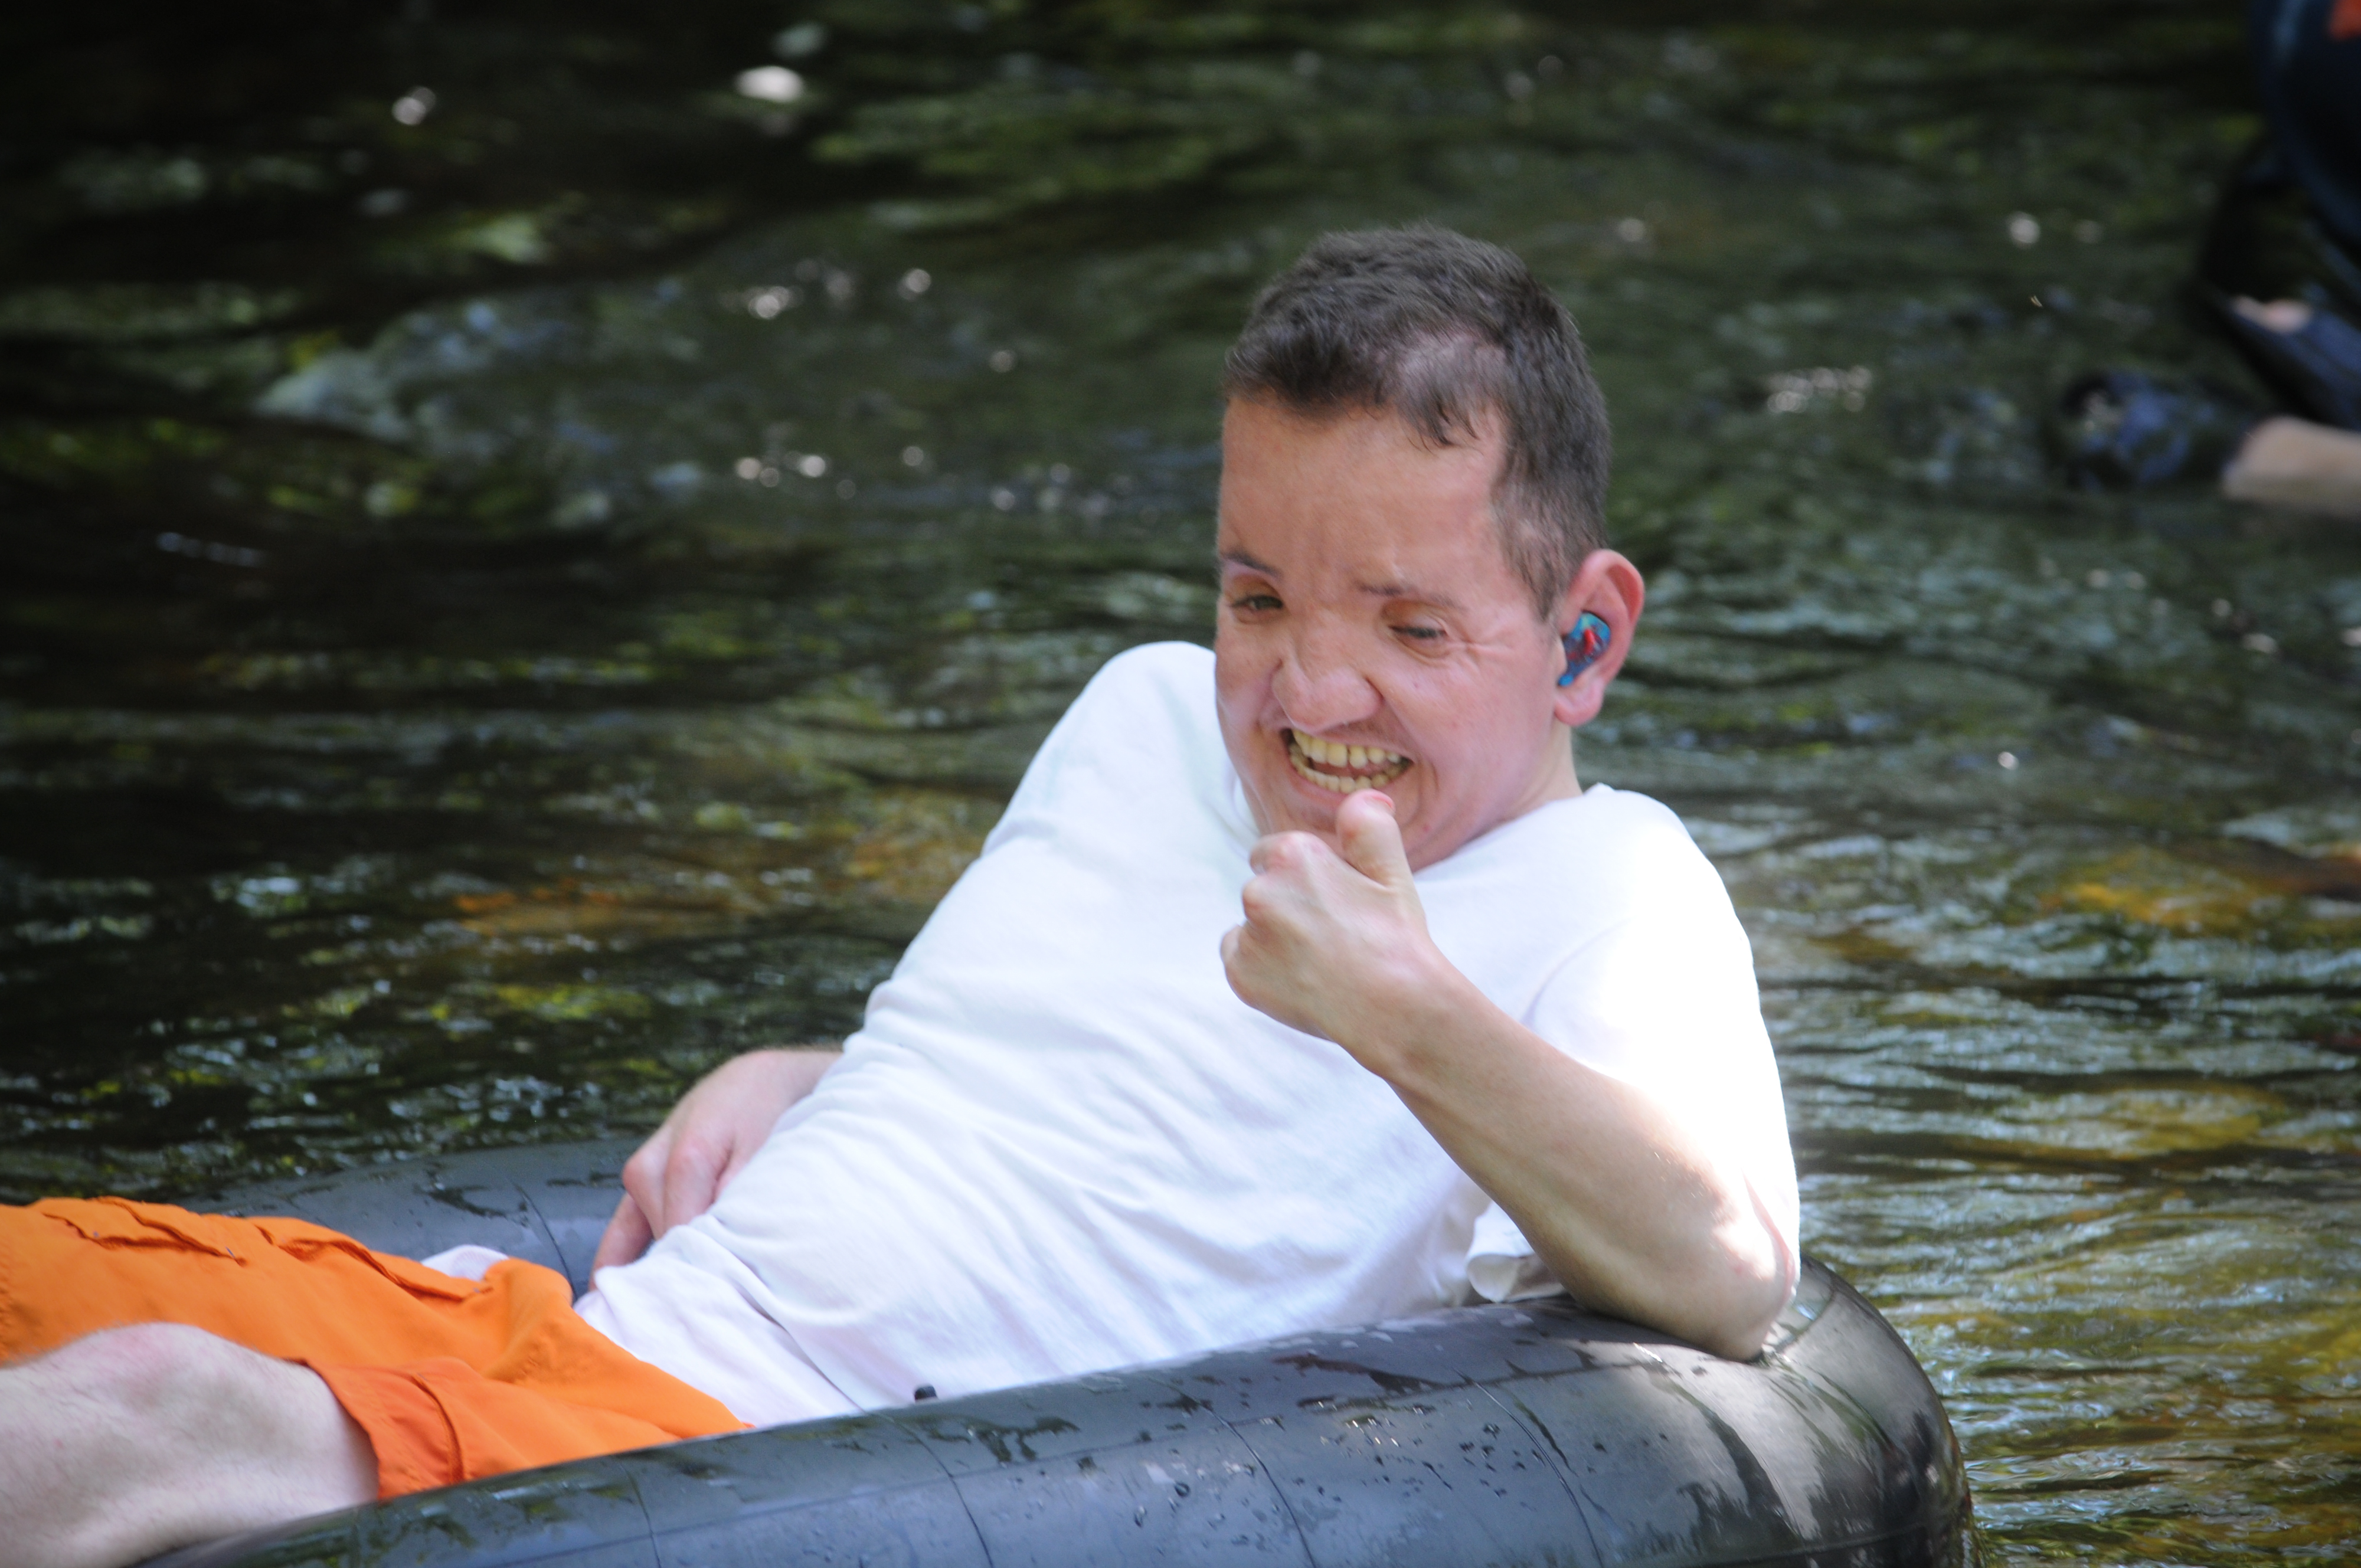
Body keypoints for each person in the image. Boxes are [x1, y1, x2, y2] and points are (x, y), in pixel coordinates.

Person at [0, 227, 1798, 1568]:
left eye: (1407, 627)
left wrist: (1407, 1010)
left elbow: (1727, 1272)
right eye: (1259, 596)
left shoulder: (1613, 895)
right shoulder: (1137, 715)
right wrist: (809, 1069)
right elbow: (1033, 1083)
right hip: (576, 1334)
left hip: (755, 1471)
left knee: (158, 1415)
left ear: (1583, 636)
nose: (1307, 695)